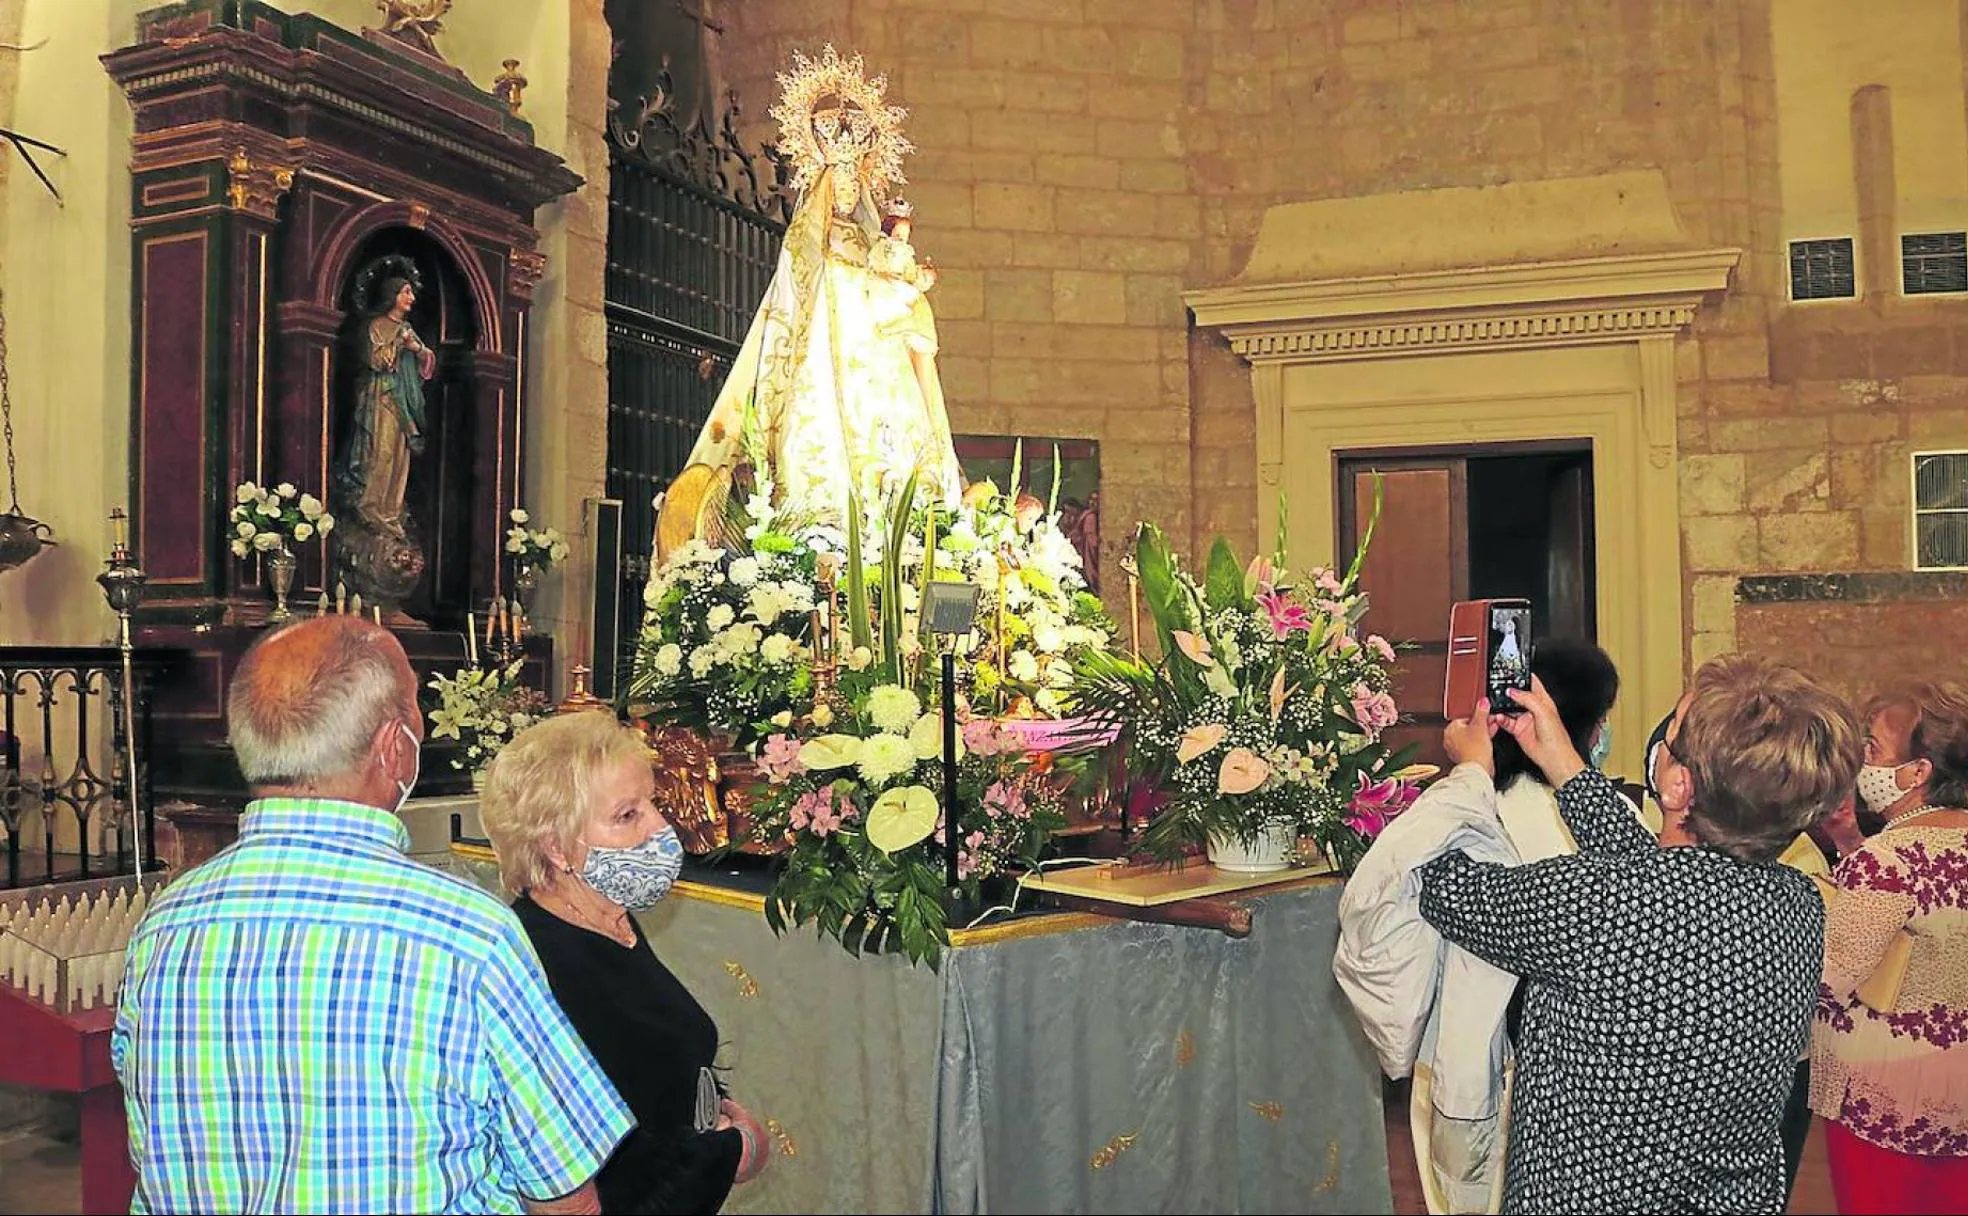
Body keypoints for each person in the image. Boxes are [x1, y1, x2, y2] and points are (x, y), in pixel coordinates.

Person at [112, 617, 630, 1214]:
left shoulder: (167, 925)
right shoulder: (465, 935)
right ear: (393, 748)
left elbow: (152, 1147)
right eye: (415, 711)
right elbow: (561, 1190)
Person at [1419, 655, 1862, 1212]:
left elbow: (1444, 888)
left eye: (1670, 732)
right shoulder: (1795, 903)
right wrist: (1565, 764)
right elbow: (1658, 882)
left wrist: (1469, 773)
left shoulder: (1599, 902)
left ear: (1678, 783)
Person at [1336, 639, 1627, 1214]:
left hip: (1472, 1061)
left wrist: (1467, 773)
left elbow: (1386, 896)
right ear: (1587, 732)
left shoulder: (1467, 810)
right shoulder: (1601, 820)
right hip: (1560, 1080)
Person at [478, 711, 772, 1214]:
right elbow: (610, 1177)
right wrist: (737, 1151)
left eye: (653, 803)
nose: (661, 827)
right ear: (556, 847)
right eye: (627, 815)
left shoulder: (607, 918)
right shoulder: (548, 966)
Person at [666, 48, 962, 539]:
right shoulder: (808, 239)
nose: (846, 196)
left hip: (874, 358)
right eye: (838, 187)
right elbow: (796, 292)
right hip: (823, 353)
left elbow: (888, 292)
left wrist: (903, 290)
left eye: (853, 187)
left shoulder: (873, 241)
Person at [1809, 681, 1968, 1214]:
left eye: (1872, 748)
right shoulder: (1894, 855)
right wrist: (1853, 846)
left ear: (1918, 772)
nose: (1861, 760)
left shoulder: (1887, 861)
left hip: (1888, 1102)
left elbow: (1829, 981)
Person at [339, 276, 437, 542]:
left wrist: (417, 350)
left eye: (411, 293)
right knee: (381, 453)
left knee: (400, 457)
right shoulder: (377, 326)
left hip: (404, 401)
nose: (412, 298)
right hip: (382, 397)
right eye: (406, 292)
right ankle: (372, 507)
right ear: (392, 295)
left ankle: (392, 512)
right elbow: (376, 360)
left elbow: (427, 362)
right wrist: (397, 345)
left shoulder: (407, 328)